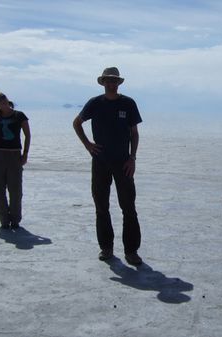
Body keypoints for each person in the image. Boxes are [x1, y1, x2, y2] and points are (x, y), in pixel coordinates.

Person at [73, 67, 143, 266]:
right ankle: (106, 247)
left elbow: (134, 133)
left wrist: (132, 158)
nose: (111, 84)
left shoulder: (128, 103)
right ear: (103, 82)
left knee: (128, 207)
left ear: (119, 83)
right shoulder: (95, 103)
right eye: (108, 81)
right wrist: (87, 144)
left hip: (123, 163)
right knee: (101, 206)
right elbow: (77, 122)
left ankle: (131, 251)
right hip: (100, 162)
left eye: (114, 81)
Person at [0, 92, 30, 230]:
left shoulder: (19, 116)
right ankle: (4, 220)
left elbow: (27, 135)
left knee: (16, 190)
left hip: (14, 155)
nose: (3, 102)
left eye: (4, 99)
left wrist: (25, 154)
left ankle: (15, 220)